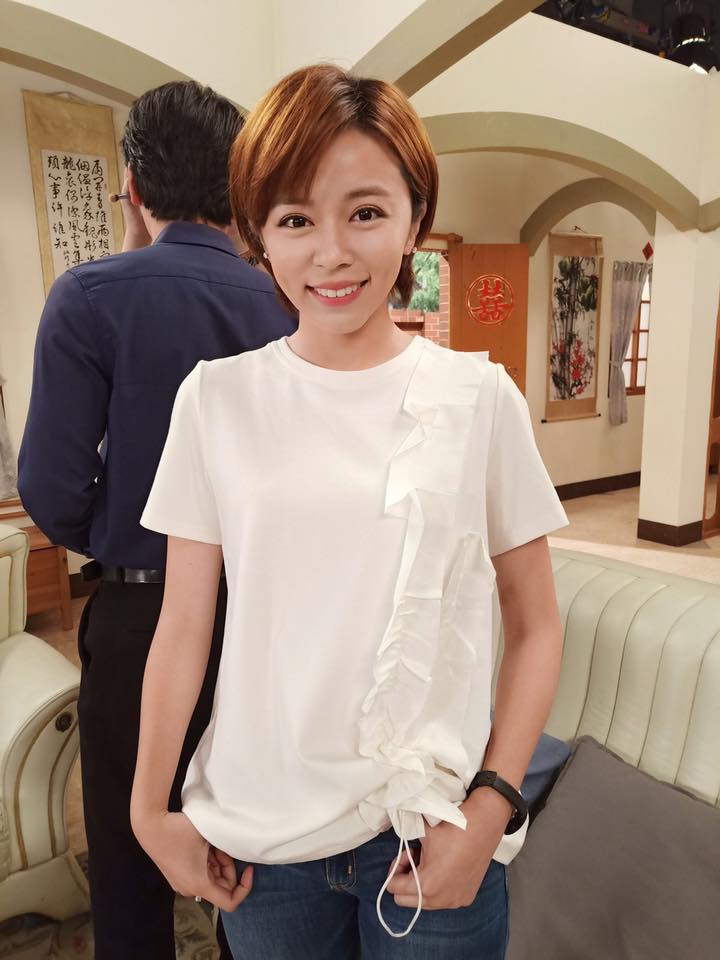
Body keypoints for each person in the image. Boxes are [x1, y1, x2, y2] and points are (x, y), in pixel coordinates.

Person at [130, 65, 569, 960]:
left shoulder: (478, 398)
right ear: (258, 233)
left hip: (432, 830)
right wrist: (147, 809)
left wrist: (493, 806)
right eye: (295, 220)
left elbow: (534, 623)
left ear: (414, 218)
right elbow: (184, 623)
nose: (330, 253)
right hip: (264, 843)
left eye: (365, 212)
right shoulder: (216, 400)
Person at [18, 80, 296, 960]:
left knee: (129, 844)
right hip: (270, 616)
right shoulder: (286, 301)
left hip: (141, 613)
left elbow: (52, 491)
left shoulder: (88, 297)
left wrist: (127, 524)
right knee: (257, 838)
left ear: (132, 185)